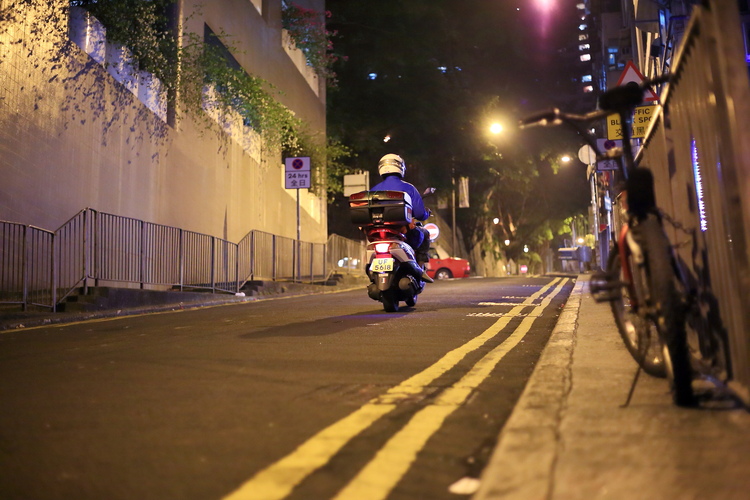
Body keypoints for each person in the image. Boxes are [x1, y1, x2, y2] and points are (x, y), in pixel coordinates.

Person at [371, 154, 434, 283]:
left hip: (378, 233)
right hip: (402, 231)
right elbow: (420, 214)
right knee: (425, 233)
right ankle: (420, 270)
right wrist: (426, 213)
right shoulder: (408, 188)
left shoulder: (373, 190)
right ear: (400, 167)